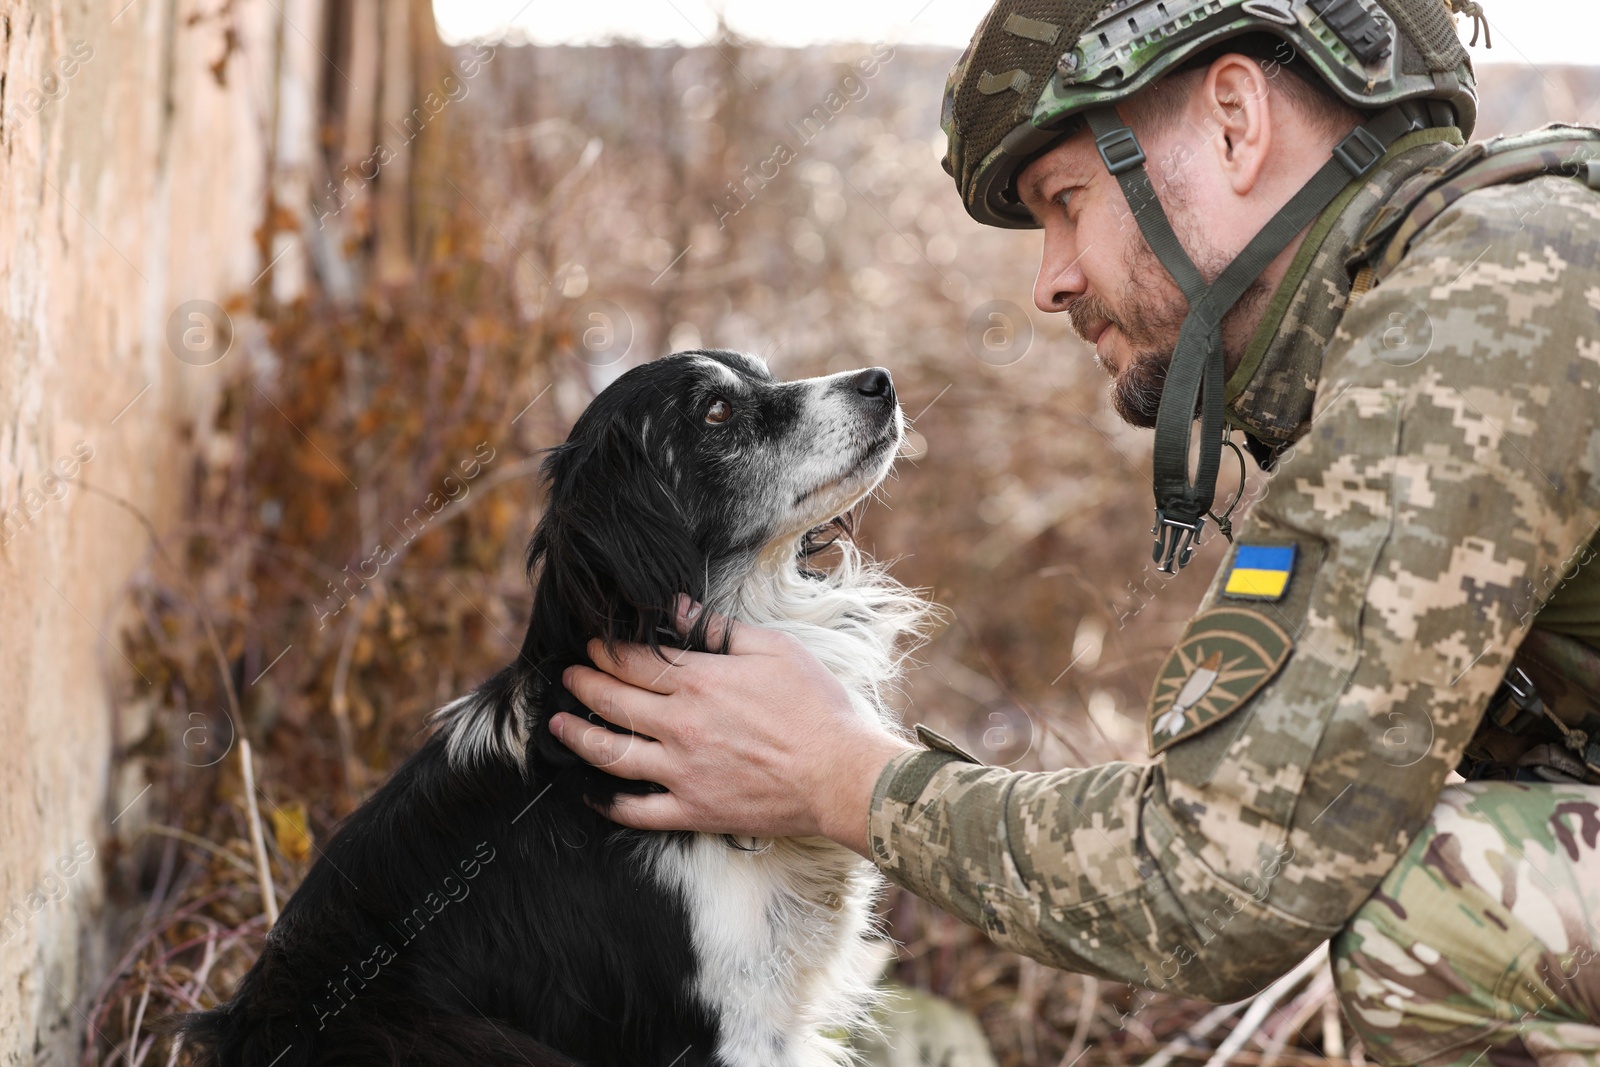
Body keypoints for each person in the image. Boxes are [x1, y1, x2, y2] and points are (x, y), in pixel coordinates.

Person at [550, 1, 1600, 1062]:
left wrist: (840, 775)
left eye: (1065, 201)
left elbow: (1224, 870)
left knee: (1442, 905)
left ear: (1235, 121)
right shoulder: (1432, 301)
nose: (1048, 281)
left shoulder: (1487, 299)